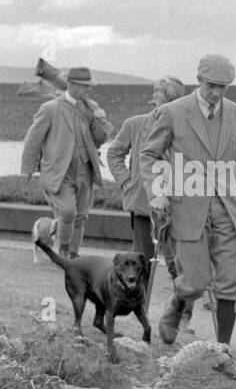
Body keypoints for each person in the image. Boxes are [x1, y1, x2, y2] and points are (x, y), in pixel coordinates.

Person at [141, 53, 236, 346]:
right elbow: (149, 155)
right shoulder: (172, 112)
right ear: (199, 80)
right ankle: (178, 301)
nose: (216, 93)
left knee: (231, 282)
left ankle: (224, 348)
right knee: (197, 280)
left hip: (229, 208)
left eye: (223, 87)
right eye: (211, 86)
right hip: (186, 207)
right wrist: (157, 192)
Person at [20, 66, 112, 258]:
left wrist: (100, 120)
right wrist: (27, 169)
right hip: (60, 172)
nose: (89, 90)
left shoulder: (90, 108)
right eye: (85, 86)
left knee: (80, 216)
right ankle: (62, 251)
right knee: (68, 211)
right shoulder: (50, 109)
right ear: (71, 85)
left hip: (85, 170)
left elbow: (99, 139)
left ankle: (72, 255)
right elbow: (33, 140)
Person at [107, 76, 186, 281]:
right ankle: (140, 306)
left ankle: (183, 307)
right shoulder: (134, 124)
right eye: (164, 98)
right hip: (142, 203)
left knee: (176, 262)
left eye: (173, 100)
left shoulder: (187, 128)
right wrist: (126, 182)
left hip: (176, 204)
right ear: (155, 99)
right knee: (141, 262)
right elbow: (114, 153)